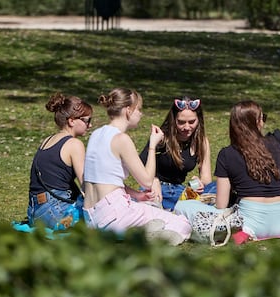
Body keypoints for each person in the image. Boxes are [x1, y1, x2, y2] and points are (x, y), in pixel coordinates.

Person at [83, 87, 191, 245]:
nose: (140, 114)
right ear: (128, 110)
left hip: (92, 217)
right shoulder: (121, 139)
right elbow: (147, 181)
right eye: (138, 109)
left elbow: (105, 180)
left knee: (147, 208)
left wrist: (137, 195)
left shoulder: (96, 134)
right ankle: (145, 237)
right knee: (183, 225)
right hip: (115, 215)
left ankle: (136, 234)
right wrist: (153, 145)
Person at [175, 100, 280, 243]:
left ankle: (239, 233)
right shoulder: (274, 145)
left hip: (250, 225)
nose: (263, 123)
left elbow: (221, 205)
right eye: (262, 119)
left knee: (183, 205)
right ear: (257, 123)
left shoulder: (227, 154)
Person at [27, 93, 93, 230]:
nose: (90, 125)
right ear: (72, 121)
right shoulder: (74, 144)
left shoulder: (48, 140)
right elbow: (86, 186)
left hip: (35, 212)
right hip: (55, 213)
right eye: (87, 120)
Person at [139, 96, 216, 211]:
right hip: (157, 189)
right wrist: (153, 180)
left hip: (180, 191)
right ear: (173, 119)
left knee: (217, 187)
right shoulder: (161, 137)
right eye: (181, 122)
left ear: (198, 119)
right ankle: (181, 210)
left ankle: (178, 209)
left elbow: (206, 178)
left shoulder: (201, 141)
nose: (186, 127)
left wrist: (199, 182)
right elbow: (140, 166)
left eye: (192, 122)